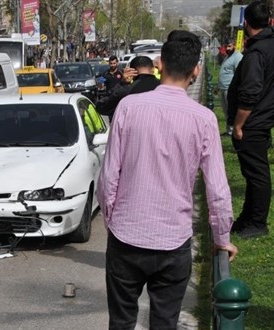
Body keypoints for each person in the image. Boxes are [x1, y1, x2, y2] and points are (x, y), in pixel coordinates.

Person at [98, 30, 238, 329]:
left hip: (126, 238)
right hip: (173, 242)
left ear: (160, 63)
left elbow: (109, 176)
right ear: (196, 70)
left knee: (120, 321)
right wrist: (222, 238)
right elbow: (217, 190)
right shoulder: (203, 119)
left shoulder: (129, 107)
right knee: (165, 323)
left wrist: (113, 221)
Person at [227, 0, 274, 239]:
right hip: (262, 119)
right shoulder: (268, 46)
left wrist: (238, 124)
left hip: (252, 124)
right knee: (253, 174)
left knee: (257, 175)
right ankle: (248, 218)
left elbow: (250, 91)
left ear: (246, 23)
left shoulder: (257, 52)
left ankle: (257, 223)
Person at [95, 56, 160, 122]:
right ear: (153, 69)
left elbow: (101, 106)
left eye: (114, 63)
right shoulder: (105, 73)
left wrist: (122, 84)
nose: (112, 65)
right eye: (111, 63)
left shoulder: (122, 75)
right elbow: (100, 85)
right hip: (114, 98)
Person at [216, 41, 242, 136]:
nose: (227, 48)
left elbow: (239, 74)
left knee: (231, 111)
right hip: (223, 88)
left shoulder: (237, 57)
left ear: (235, 45)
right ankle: (229, 130)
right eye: (226, 46)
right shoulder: (228, 57)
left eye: (230, 46)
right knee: (226, 110)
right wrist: (217, 87)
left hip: (230, 89)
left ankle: (233, 131)